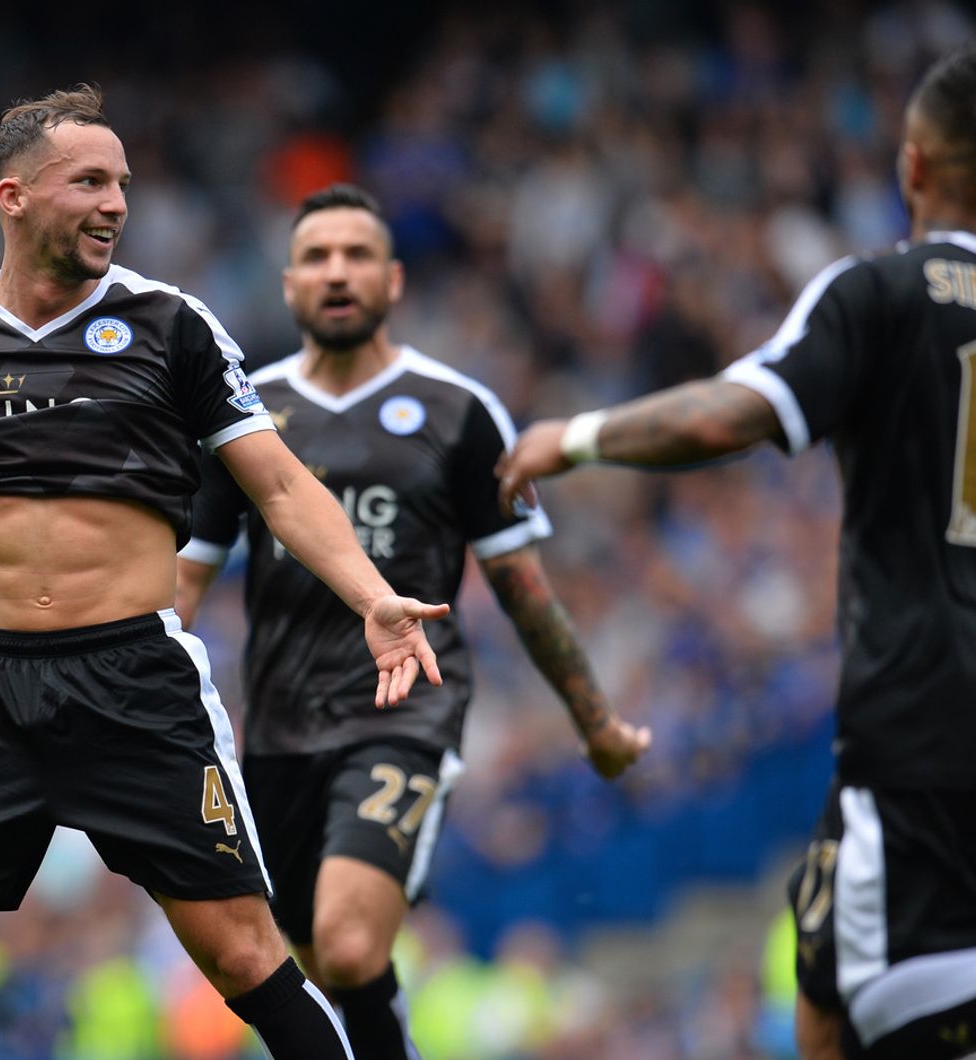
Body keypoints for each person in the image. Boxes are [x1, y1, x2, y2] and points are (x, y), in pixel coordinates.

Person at [0, 86, 455, 1060]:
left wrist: (371, 597)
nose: (117, 203)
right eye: (91, 181)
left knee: (243, 954)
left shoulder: (171, 326)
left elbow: (277, 482)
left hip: (135, 684)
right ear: (13, 196)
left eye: (124, 184)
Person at [498, 43, 976, 1060]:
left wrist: (575, 436)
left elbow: (733, 413)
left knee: (878, 1007)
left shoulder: (882, 292)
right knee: (835, 993)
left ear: (908, 166)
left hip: (927, 692)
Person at [175, 183, 651, 1058]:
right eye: (317, 257)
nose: (337, 272)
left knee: (353, 944)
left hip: (406, 714)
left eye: (357, 255)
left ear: (394, 281)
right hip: (279, 730)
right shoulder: (242, 418)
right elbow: (184, 586)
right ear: (288, 285)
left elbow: (524, 589)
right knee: (311, 968)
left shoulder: (459, 412)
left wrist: (596, 722)